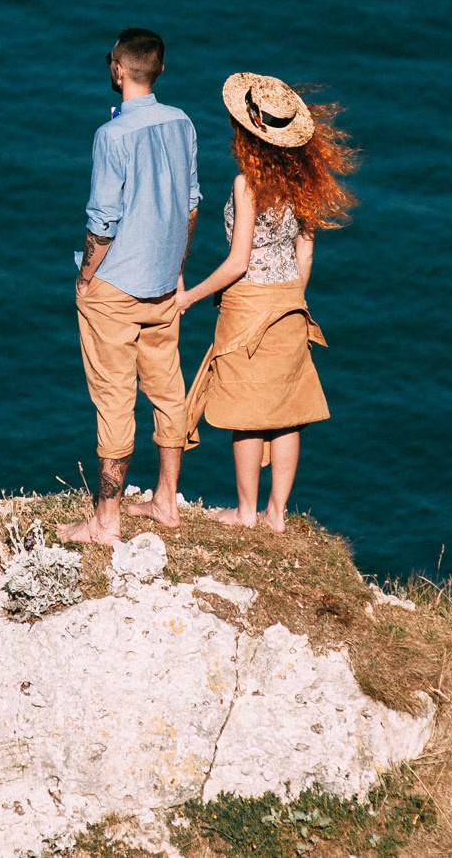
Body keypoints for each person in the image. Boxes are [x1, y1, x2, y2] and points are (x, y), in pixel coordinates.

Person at [176, 73, 357, 533]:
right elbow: (306, 250)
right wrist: (293, 295)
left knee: (246, 410)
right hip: (291, 302)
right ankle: (276, 514)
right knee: (287, 408)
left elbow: (238, 262)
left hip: (249, 306)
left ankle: (245, 512)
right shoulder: (305, 181)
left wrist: (190, 296)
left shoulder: (247, 185)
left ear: (249, 129)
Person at [58, 29, 201, 545]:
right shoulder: (182, 122)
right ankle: (165, 502)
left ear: (118, 69)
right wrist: (176, 265)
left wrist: (86, 276)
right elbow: (190, 206)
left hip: (115, 286)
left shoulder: (111, 136)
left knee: (115, 400)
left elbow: (102, 222)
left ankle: (106, 521)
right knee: (167, 389)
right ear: (158, 70)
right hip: (163, 282)